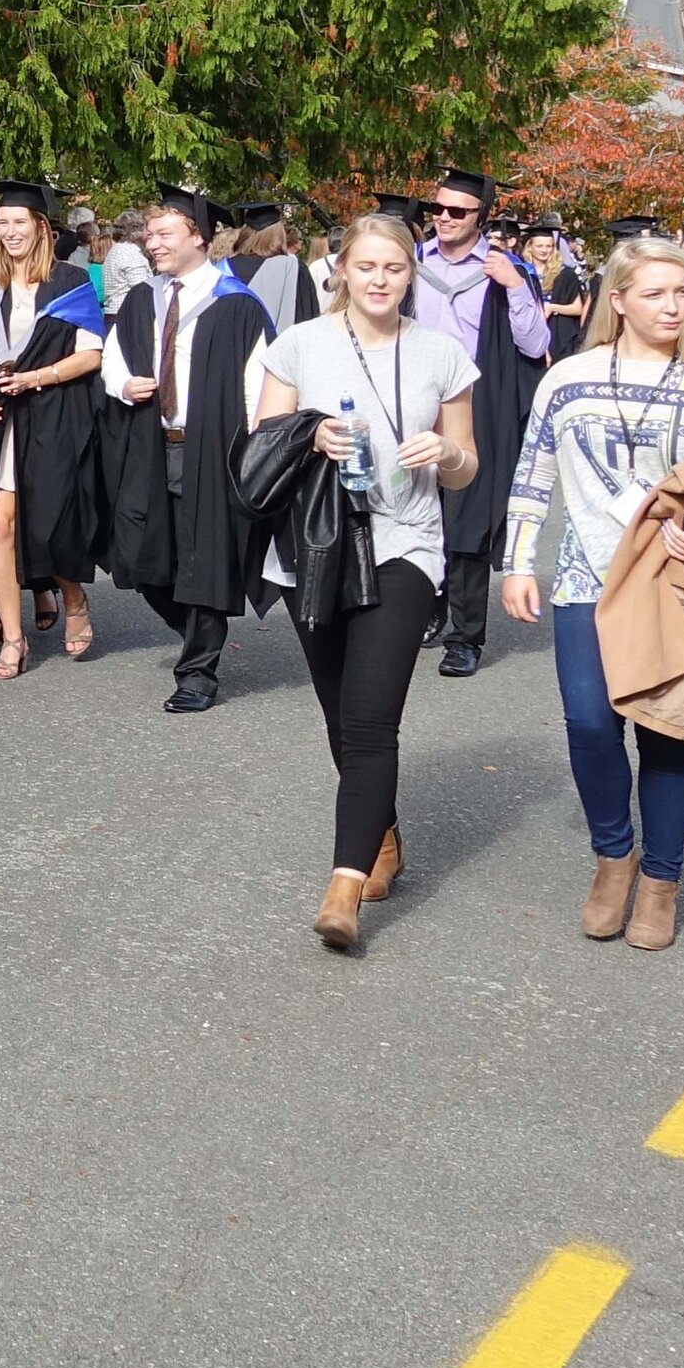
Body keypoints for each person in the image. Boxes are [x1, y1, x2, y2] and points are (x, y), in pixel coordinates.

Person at [500, 234, 684, 952]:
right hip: (584, 578)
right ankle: (613, 857)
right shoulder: (568, 378)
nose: (671, 307)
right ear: (617, 300)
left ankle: (660, 880)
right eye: (654, 293)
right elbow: (533, 469)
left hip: (680, 583)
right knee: (590, 723)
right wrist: (518, 563)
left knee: (663, 732)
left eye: (683, 293)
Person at [249, 213, 478, 953]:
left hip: (404, 543)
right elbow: (260, 444)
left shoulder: (441, 353)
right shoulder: (298, 344)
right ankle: (382, 838)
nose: (380, 280)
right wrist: (309, 433)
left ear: (412, 274)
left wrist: (445, 452)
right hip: (314, 546)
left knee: (371, 721)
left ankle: (342, 889)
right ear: (341, 269)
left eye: (395, 268)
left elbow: (467, 467)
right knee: (338, 712)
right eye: (367, 266)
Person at [98, 186, 271, 716]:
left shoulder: (237, 304)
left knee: (204, 558)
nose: (152, 243)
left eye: (163, 234)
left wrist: (252, 451)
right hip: (152, 444)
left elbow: (258, 383)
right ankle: (193, 629)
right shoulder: (142, 299)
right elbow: (111, 359)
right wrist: (124, 384)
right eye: (149, 235)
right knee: (142, 555)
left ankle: (198, 672)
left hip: (212, 449)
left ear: (198, 237)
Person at [0, 180, 106, 676]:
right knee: (0, 524)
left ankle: (74, 598)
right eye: (4, 223)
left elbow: (91, 354)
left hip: (53, 412)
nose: (11, 231)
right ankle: (13, 638)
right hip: (0, 418)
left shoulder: (69, 282)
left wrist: (37, 377)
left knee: (49, 521)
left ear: (41, 227)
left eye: (20, 222)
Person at [412, 168, 550, 678]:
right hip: (412, 403)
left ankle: (465, 635)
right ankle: (424, 607)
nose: (445, 218)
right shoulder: (410, 262)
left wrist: (514, 288)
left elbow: (535, 346)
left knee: (468, 522)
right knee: (412, 510)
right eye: (438, 208)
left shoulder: (505, 270)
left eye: (458, 211)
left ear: (481, 216)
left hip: (472, 406)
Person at [222, 202, 318, 333]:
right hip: (281, 343)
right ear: (279, 234)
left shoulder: (223, 269)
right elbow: (307, 318)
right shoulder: (292, 269)